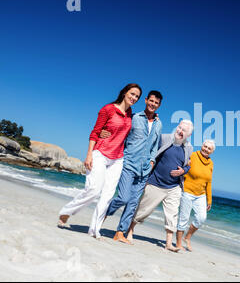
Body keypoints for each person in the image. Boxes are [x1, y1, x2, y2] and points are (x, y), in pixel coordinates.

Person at [57, 83, 142, 239]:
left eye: (137, 96)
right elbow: (95, 132)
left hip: (117, 158)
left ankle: (95, 229)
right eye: (132, 94)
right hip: (100, 153)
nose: (134, 98)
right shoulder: (108, 109)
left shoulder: (131, 114)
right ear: (124, 93)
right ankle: (66, 212)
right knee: (94, 189)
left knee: (108, 195)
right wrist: (89, 154)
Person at [104, 90, 163, 244]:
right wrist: (105, 134)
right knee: (123, 197)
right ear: (145, 100)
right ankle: (103, 213)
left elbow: (155, 147)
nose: (153, 104)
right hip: (129, 163)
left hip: (145, 170)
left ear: (159, 105)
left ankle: (120, 233)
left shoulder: (159, 124)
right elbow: (121, 134)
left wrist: (152, 162)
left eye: (156, 103)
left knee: (133, 203)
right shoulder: (135, 118)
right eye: (151, 101)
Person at [127, 119, 193, 251]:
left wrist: (183, 171)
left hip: (174, 187)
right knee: (143, 210)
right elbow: (150, 153)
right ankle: (130, 231)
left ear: (188, 135)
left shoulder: (188, 148)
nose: (179, 131)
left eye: (183, 131)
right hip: (155, 183)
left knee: (172, 215)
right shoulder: (164, 138)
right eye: (179, 128)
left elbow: (188, 165)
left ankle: (168, 244)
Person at [175, 140, 215, 251]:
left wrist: (209, 200)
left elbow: (209, 182)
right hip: (187, 191)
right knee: (184, 218)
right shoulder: (192, 155)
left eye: (209, 148)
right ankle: (178, 243)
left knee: (201, 218)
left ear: (211, 152)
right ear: (201, 145)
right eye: (205, 146)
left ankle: (187, 237)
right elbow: (182, 167)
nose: (206, 149)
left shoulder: (211, 164)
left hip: (201, 195)